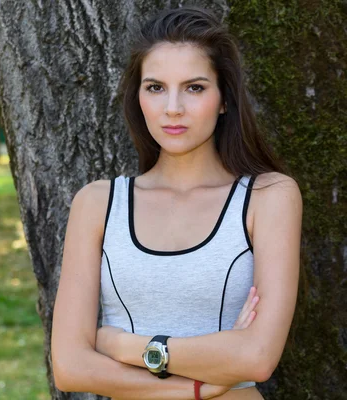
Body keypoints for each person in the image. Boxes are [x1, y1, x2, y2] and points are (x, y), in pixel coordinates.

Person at [51, 6, 302, 400]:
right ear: (138, 97)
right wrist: (199, 388)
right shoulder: (98, 204)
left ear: (224, 99)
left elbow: (256, 356)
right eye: (155, 87)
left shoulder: (268, 197)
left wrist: (126, 346)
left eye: (194, 87)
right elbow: (69, 366)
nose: (173, 108)